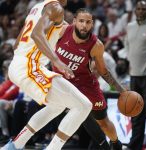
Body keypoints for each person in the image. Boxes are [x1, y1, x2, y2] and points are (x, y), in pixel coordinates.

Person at [1, 1, 93, 150]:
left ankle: (14, 146)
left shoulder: (37, 7)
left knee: (57, 106)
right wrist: (57, 61)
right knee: (84, 106)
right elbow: (37, 34)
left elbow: (16, 44)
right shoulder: (55, 7)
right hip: (29, 66)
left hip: (21, 64)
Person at [53, 8, 127, 150]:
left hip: (86, 84)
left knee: (103, 122)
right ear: (74, 21)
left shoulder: (96, 45)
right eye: (81, 21)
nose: (84, 25)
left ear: (92, 24)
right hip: (63, 82)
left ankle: (116, 143)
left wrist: (121, 90)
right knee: (80, 111)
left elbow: (103, 70)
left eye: (88, 22)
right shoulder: (62, 31)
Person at [125, 1, 146, 150]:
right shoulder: (129, 26)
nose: (141, 11)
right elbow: (127, 44)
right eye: (138, 9)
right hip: (134, 75)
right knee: (136, 113)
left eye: (144, 9)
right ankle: (135, 145)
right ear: (135, 11)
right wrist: (129, 60)